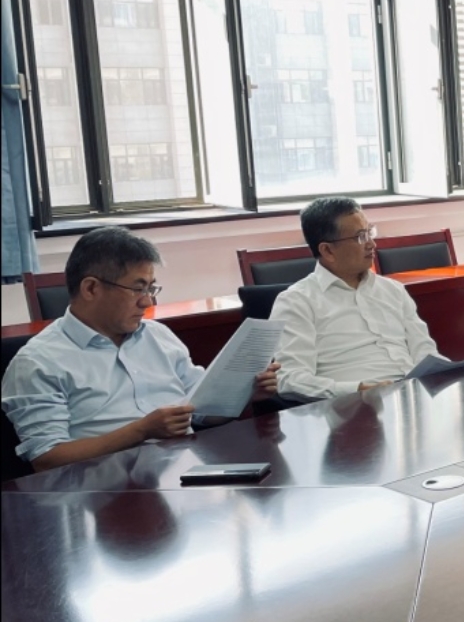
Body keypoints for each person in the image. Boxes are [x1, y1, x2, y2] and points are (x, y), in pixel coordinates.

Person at [2, 227, 278, 472]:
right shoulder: (38, 362)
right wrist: (141, 431)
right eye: (137, 289)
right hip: (100, 492)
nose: (147, 302)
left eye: (151, 289)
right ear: (91, 288)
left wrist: (244, 393)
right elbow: (46, 458)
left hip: (183, 471)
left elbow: (201, 411)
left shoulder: (158, 336)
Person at [271, 197, 440, 400]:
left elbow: (424, 349)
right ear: (328, 250)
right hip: (350, 406)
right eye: (361, 237)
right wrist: (358, 390)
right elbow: (290, 379)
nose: (372, 244)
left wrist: (446, 372)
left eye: (370, 232)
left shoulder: (392, 289)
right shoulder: (296, 302)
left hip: (412, 396)